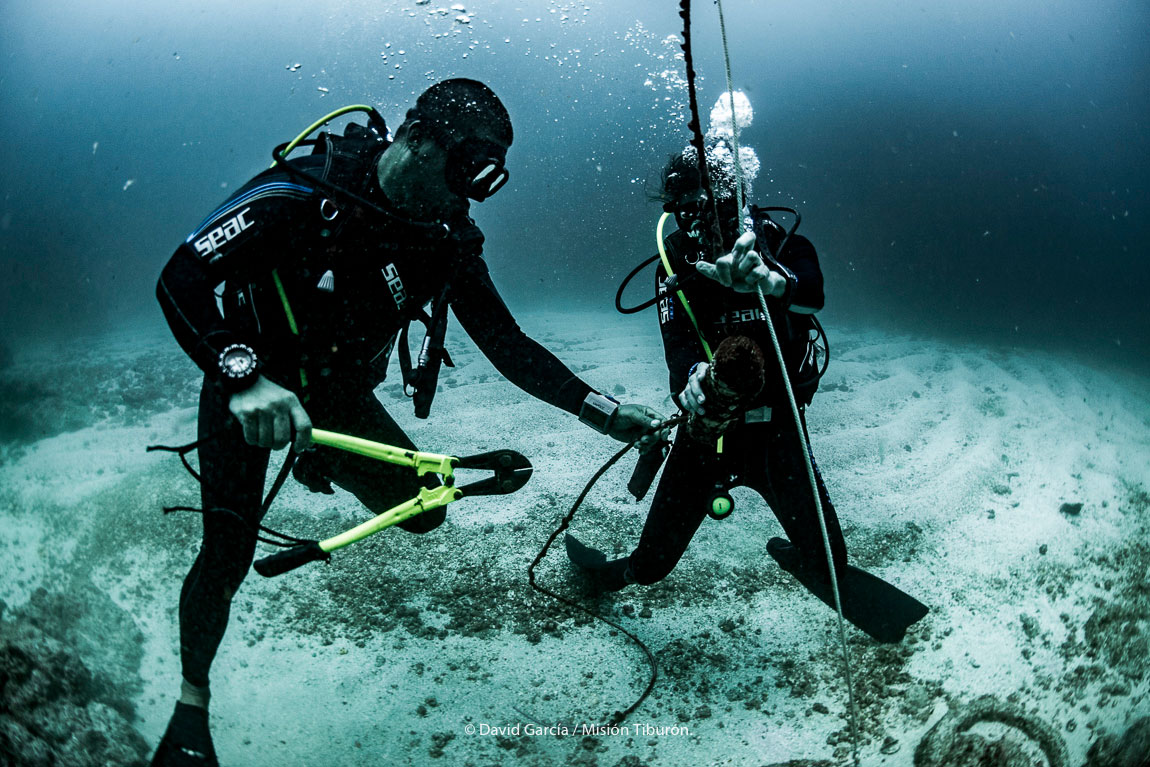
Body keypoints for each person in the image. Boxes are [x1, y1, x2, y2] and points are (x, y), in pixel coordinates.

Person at [152, 78, 663, 766]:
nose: (464, 196)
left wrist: (601, 411)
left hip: (336, 397)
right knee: (226, 553)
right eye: (459, 171)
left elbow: (507, 343)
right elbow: (179, 276)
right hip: (250, 382)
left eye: (480, 183)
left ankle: (322, 454)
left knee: (422, 515)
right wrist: (241, 377)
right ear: (417, 138)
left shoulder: (443, 239)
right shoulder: (300, 193)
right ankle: (191, 706)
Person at [565, 142, 847, 592]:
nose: (693, 223)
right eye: (681, 211)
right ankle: (616, 573)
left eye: (700, 207)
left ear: (730, 197)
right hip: (707, 432)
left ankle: (802, 553)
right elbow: (676, 343)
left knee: (831, 563)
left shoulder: (779, 242)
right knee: (652, 565)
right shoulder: (675, 263)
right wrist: (691, 379)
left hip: (781, 428)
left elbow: (812, 293)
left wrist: (772, 282)